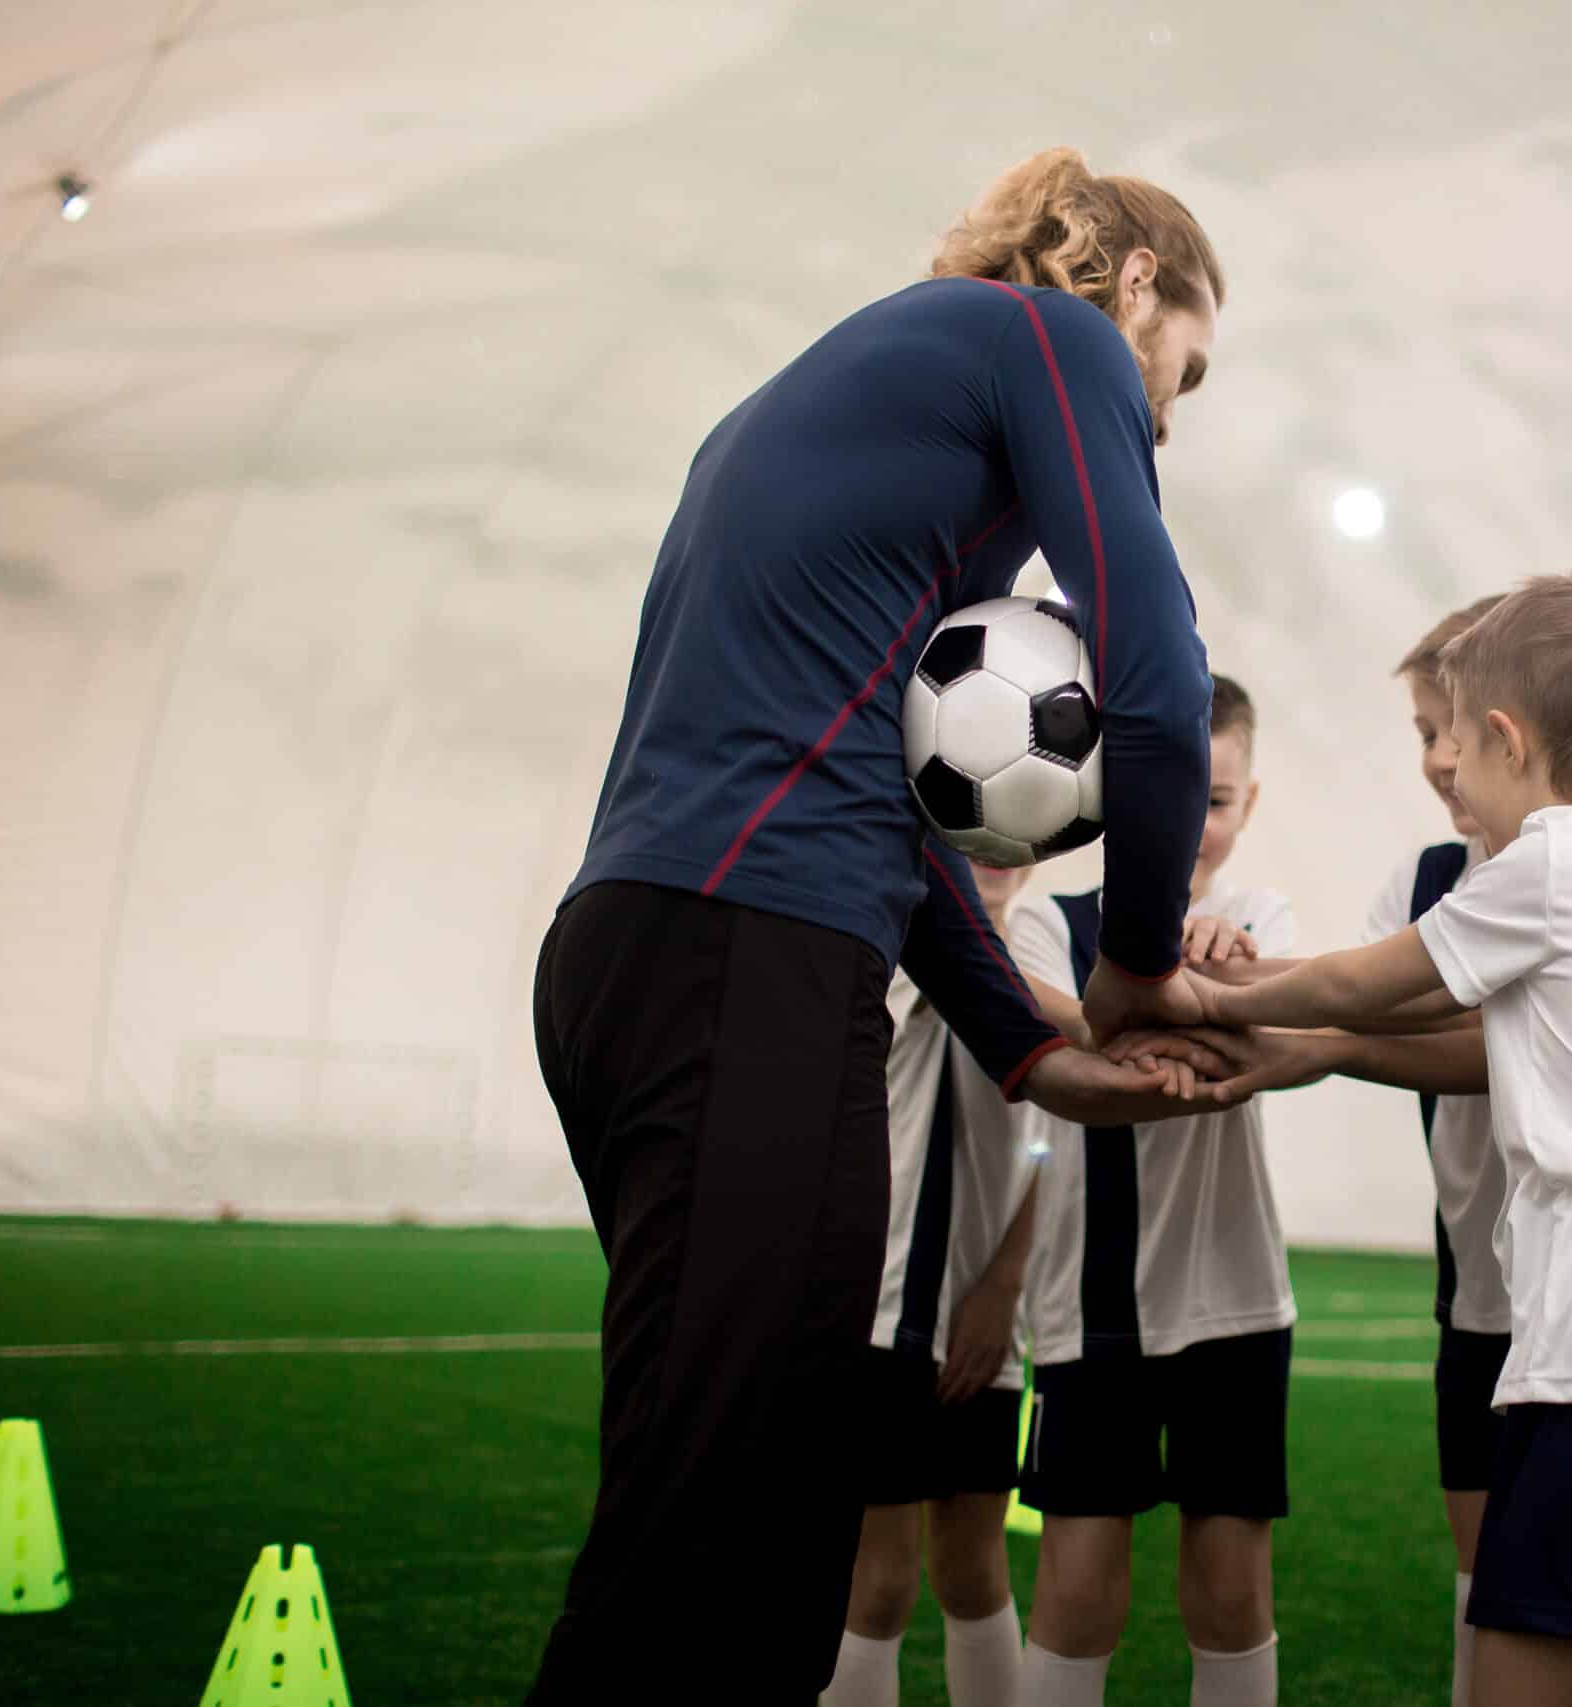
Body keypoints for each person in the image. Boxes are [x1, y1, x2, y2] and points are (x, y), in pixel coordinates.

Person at [527, 148, 1240, 1704]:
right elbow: (1157, 686)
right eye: (1182, 371)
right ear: (1132, 286)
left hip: (651, 955)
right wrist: (1135, 961)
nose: (1167, 418)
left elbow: (876, 807)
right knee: (707, 1558)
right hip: (747, 963)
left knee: (755, 1510)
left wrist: (1029, 1052)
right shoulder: (1049, 337)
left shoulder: (837, 392)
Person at [1160, 576, 1572, 1707]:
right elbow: (1448, 1029)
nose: (1444, 764)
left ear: (1506, 737)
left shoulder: (1548, 862)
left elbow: (1360, 984)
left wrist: (1191, 994)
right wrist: (1280, 1015)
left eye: (1452, 738)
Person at [1008, 676, 1298, 1707]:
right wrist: (1192, 1013)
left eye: (1213, 800)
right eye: (1167, 792)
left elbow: (1271, 1041)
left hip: (1237, 1303)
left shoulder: (1260, 919)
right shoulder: (1046, 921)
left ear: (1247, 804)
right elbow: (1048, 1034)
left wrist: (1157, 1026)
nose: (1190, 820)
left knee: (1230, 1589)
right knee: (1076, 1587)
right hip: (1087, 1310)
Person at [825, 855, 1054, 1707]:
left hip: (984, 1325)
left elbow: (1051, 1145)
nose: (997, 844)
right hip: (878, 1313)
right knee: (876, 1580)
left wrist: (1005, 1284)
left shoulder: (1042, 956)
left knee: (973, 1567)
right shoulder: (889, 940)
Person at [1355, 595, 1510, 1707]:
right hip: (1477, 1298)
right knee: (1482, 1587)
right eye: (1422, 731)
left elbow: (1480, 1045)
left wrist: (1273, 1029)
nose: (1439, 758)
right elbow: (1362, 1003)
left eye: (1452, 728)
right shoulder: (1422, 882)